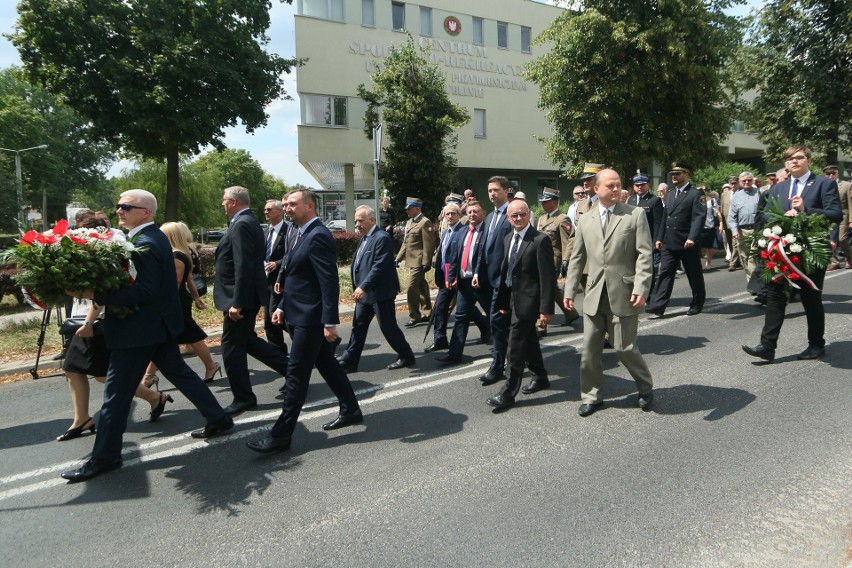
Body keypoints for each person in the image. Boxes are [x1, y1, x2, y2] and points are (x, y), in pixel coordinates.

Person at [60, 190, 233, 482]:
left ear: (147, 213)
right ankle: (219, 417)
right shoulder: (143, 239)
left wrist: (94, 293)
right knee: (180, 373)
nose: (119, 210)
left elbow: (146, 291)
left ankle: (105, 457)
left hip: (139, 330)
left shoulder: (147, 242)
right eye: (118, 206)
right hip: (153, 327)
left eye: (126, 206)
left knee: (115, 395)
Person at [247, 189, 362, 454]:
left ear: (309, 206)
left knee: (297, 375)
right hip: (297, 313)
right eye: (285, 204)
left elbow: (328, 281)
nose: (287, 208)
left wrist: (330, 321)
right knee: (328, 365)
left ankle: (281, 435)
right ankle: (351, 409)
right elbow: (294, 275)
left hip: (311, 318)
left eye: (292, 204)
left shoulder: (319, 235)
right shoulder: (298, 233)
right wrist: (283, 306)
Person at [56, 213, 166, 442]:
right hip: (86, 319)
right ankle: (82, 418)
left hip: (98, 320)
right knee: (74, 369)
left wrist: (88, 322)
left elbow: (102, 291)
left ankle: (154, 398)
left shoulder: (107, 251)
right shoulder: (91, 250)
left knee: (103, 375)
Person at [564, 169, 654, 417]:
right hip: (594, 293)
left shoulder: (634, 215)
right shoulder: (586, 220)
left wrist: (641, 287)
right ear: (596, 189)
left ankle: (645, 387)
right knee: (590, 350)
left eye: (618, 185)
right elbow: (577, 258)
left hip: (624, 292)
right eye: (610, 186)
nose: (615, 190)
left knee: (624, 347)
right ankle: (592, 396)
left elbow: (645, 255)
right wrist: (569, 290)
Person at [742, 145, 842, 362]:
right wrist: (781, 217)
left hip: (811, 251)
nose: (794, 162)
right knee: (775, 296)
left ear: (809, 160)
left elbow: (835, 215)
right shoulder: (779, 188)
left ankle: (816, 344)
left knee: (810, 298)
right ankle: (767, 346)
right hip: (782, 250)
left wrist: (806, 210)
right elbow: (764, 216)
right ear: (785, 164)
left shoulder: (824, 184)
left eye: (799, 158)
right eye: (789, 159)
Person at [214, 186, 290, 416]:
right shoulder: (247, 222)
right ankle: (294, 371)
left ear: (234, 201)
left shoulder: (243, 223)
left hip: (240, 299)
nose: (222, 203)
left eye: (224, 199)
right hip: (243, 296)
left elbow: (243, 265)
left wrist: (236, 302)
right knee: (247, 342)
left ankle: (244, 397)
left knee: (231, 347)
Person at [486, 199, 555, 411]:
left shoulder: (540, 240)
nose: (518, 219)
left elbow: (547, 278)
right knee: (530, 340)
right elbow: (507, 271)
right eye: (514, 215)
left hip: (530, 301)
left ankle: (508, 393)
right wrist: (504, 302)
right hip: (513, 299)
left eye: (522, 214)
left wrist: (546, 309)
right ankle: (540, 376)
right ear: (508, 217)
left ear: (529, 215)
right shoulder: (508, 238)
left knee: (514, 346)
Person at [142, 221, 222, 387]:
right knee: (171, 338)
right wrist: (196, 298)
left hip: (175, 301)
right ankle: (148, 377)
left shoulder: (177, 256)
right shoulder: (175, 253)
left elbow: (176, 283)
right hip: (176, 299)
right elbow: (189, 280)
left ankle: (149, 377)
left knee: (188, 335)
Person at [338, 205, 415, 372]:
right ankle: (349, 361)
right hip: (364, 294)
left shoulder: (381, 238)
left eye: (361, 220)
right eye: (356, 220)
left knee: (388, 327)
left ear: (372, 220)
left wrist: (363, 286)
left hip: (380, 293)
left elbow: (378, 266)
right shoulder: (365, 238)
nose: (357, 224)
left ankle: (406, 355)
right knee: (358, 327)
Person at [645, 162, 707, 317]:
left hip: (687, 242)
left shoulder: (696, 194)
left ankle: (697, 303)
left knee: (694, 274)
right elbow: (666, 217)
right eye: (672, 174)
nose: (674, 176)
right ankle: (657, 305)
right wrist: (659, 238)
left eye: (678, 174)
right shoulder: (671, 193)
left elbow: (698, 217)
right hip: (669, 242)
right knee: (665, 272)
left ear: (686, 174)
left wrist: (692, 237)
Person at [437, 200, 492, 364]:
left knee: (496, 318)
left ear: (483, 213)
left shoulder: (487, 232)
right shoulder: (463, 232)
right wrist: (451, 276)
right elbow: (454, 257)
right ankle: (454, 354)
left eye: (476, 211)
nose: (472, 214)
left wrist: (477, 273)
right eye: (469, 212)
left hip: (482, 283)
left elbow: (486, 257)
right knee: (461, 318)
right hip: (464, 284)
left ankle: (511, 352)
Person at [475, 176, 513, 386]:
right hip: (489, 280)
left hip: (505, 281)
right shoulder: (489, 217)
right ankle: (519, 359)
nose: (492, 193)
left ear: (506, 191)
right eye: (489, 190)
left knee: (498, 323)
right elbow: (484, 247)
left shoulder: (513, 215)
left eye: (496, 190)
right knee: (503, 324)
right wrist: (476, 274)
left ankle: (497, 367)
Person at [535, 187, 579, 336]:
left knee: (543, 290)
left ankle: (540, 325)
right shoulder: (541, 219)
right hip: (541, 259)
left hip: (554, 260)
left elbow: (568, 241)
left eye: (545, 201)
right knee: (551, 289)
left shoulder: (562, 219)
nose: (542, 204)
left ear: (553, 202)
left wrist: (566, 260)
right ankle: (571, 313)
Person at [426, 202, 466, 353]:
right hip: (445, 279)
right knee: (440, 308)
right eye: (447, 214)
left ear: (459, 215)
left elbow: (459, 257)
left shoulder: (463, 231)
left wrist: (454, 276)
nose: (450, 216)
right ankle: (440, 340)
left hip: (457, 278)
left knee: (467, 309)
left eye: (453, 213)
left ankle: (485, 328)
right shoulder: (445, 232)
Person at [395, 197, 437, 326]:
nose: (407, 211)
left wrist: (426, 262)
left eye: (410, 209)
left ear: (417, 208)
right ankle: (427, 313)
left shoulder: (425, 222)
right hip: (411, 261)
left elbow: (429, 244)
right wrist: (397, 258)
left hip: (419, 261)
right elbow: (406, 243)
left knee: (410, 287)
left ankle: (414, 316)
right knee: (421, 286)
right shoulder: (409, 222)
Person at [262, 199, 290, 352]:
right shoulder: (265, 232)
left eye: (270, 209)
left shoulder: (289, 230)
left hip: (281, 281)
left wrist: (277, 263)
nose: (266, 212)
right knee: (270, 319)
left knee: (273, 316)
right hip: (266, 281)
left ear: (280, 211)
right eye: (265, 210)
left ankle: (311, 341)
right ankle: (279, 352)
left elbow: (291, 253)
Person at [727, 172, 761, 283]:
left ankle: (755, 283)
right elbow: (731, 217)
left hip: (756, 230)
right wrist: (734, 230)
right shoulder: (736, 196)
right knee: (744, 257)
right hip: (742, 231)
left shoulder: (759, 193)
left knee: (753, 257)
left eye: (749, 180)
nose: (747, 182)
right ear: (740, 182)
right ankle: (750, 281)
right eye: (744, 181)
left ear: (753, 181)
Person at [628, 174, 663, 279]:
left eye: (643, 185)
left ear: (648, 185)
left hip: (648, 240)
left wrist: (657, 240)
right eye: (637, 185)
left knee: (647, 270)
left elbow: (658, 223)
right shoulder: (631, 200)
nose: (640, 187)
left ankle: (650, 294)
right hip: (632, 241)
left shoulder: (654, 200)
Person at [822, 165, 851, 269]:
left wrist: (851, 220)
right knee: (829, 239)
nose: (831, 176)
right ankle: (834, 261)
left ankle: (850, 258)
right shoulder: (823, 185)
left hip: (843, 215)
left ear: (837, 173)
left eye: (833, 173)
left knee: (841, 238)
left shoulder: (846, 185)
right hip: (829, 215)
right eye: (828, 174)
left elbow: (850, 203)